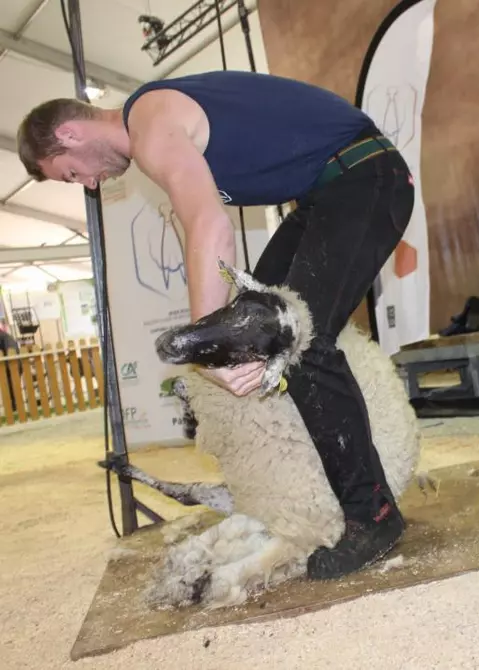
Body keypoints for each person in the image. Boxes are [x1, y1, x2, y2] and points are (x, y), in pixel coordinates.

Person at [16, 69, 415, 579]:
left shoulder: (151, 124)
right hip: (326, 192)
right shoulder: (154, 123)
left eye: (71, 174)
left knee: (299, 339)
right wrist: (223, 339)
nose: (88, 184)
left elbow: (209, 225)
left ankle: (372, 515)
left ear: (70, 135)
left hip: (364, 177)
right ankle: (304, 482)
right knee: (263, 320)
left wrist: (208, 349)